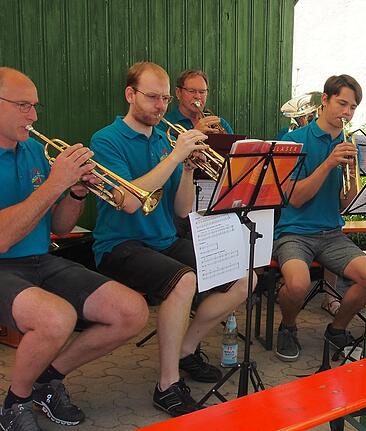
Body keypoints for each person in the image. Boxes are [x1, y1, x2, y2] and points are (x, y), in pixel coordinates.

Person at [89, 62, 249, 417]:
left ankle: (185, 349)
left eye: (163, 99)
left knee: (244, 274)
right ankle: (167, 385)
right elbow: (129, 202)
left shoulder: (164, 138)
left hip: (162, 238)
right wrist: (177, 154)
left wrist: (189, 167)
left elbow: (181, 210)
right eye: (152, 97)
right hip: (119, 243)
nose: (160, 106)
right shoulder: (106, 139)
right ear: (130, 95)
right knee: (184, 281)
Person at [0, 67, 148, 430]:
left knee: (132, 311)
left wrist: (77, 190)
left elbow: (61, 226)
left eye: (35, 106)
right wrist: (54, 183)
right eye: (23, 106)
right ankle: (14, 404)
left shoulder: (34, 150)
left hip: (40, 260)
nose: (34, 117)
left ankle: (46, 381)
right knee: (57, 318)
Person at [272, 74, 366, 362]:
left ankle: (336, 329)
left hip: (331, 233)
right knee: (299, 284)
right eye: (342, 103)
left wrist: (353, 176)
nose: (347, 113)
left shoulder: (348, 143)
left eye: (352, 108)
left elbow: (345, 203)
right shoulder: (293, 141)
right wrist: (328, 163)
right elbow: (295, 198)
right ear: (324, 101)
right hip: (293, 231)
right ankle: (288, 326)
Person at [158, 69, 234, 135]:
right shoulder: (164, 123)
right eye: (192, 91)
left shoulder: (220, 123)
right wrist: (195, 132)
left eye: (202, 92)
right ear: (178, 93)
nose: (198, 96)